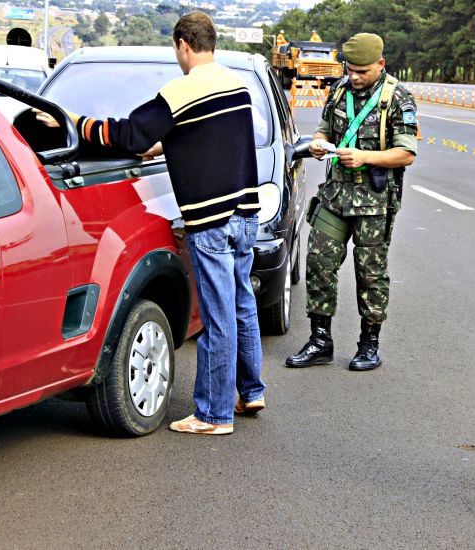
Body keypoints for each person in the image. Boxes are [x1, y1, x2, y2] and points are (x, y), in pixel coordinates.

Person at [36, 11, 266, 435]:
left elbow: (130, 136)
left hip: (212, 220)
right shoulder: (238, 83)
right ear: (211, 42)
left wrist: (71, 121)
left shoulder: (180, 92)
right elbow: (206, 137)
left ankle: (214, 415)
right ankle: (251, 391)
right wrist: (169, 142)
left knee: (216, 319)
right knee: (240, 304)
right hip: (245, 213)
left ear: (182, 44)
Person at [285, 33, 417, 371]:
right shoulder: (340, 90)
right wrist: (317, 142)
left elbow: (406, 154)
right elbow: (324, 128)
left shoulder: (397, 98)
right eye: (350, 69)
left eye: (362, 71)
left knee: (370, 273)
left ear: (380, 65)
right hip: (336, 194)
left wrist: (364, 157)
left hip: (374, 200)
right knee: (318, 263)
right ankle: (320, 340)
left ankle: (368, 344)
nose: (355, 76)